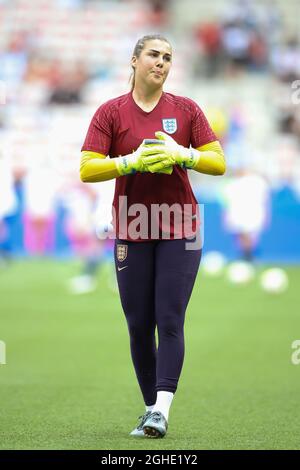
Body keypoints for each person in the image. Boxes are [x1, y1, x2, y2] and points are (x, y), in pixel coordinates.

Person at [80, 34, 226, 438]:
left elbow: (218, 162)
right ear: (134, 60)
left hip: (181, 227)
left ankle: (162, 409)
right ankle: (150, 410)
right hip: (133, 227)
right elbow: (87, 168)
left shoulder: (185, 110)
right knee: (138, 324)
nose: (161, 63)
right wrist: (129, 161)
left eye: (167, 57)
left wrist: (185, 154)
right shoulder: (111, 112)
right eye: (154, 55)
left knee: (170, 319)